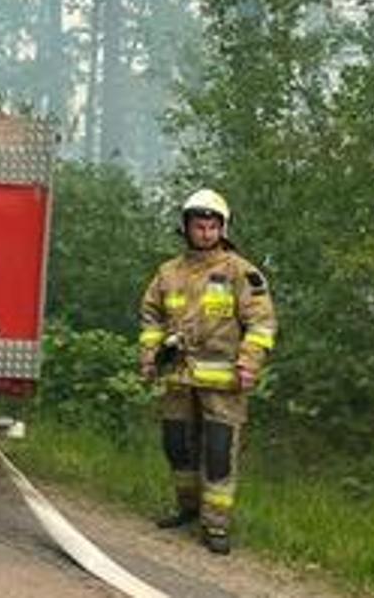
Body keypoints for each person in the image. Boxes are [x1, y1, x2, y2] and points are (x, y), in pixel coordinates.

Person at [137, 189, 278, 555]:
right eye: (198, 226)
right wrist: (150, 355)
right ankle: (187, 509)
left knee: (218, 452)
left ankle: (216, 526)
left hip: (224, 382)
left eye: (212, 226)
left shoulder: (240, 272)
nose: (205, 232)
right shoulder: (168, 273)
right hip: (179, 379)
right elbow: (151, 315)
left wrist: (249, 362)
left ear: (223, 229)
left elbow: (262, 323)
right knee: (176, 446)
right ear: (185, 228)